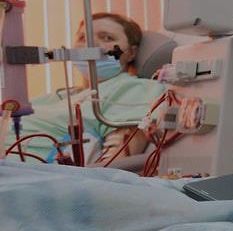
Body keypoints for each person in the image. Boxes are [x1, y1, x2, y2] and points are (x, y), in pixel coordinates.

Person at [17, 13, 166, 165]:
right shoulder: (57, 97)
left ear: (131, 53)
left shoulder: (133, 89)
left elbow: (115, 162)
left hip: (27, 173)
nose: (90, 44)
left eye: (107, 38)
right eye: (83, 38)